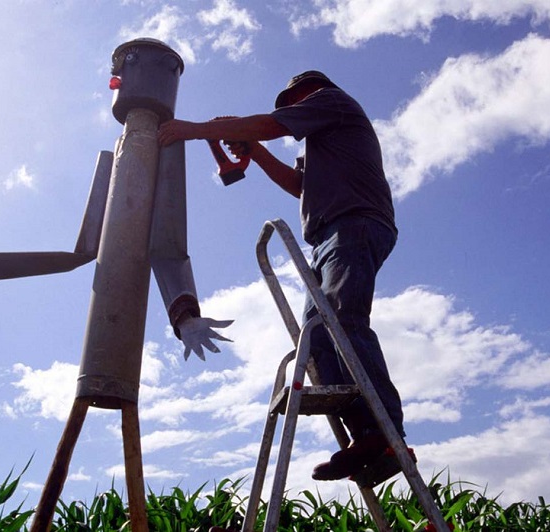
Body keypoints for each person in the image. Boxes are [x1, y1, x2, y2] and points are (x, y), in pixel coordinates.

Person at [157, 70, 404, 481]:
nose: (289, 111)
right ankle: (364, 434)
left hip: (354, 224)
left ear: (308, 92)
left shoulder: (332, 101)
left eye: (291, 103)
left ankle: (386, 431)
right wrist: (252, 148)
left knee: (343, 321)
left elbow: (272, 125)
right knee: (316, 335)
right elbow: (297, 185)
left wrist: (197, 130)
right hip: (326, 236)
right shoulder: (320, 141)